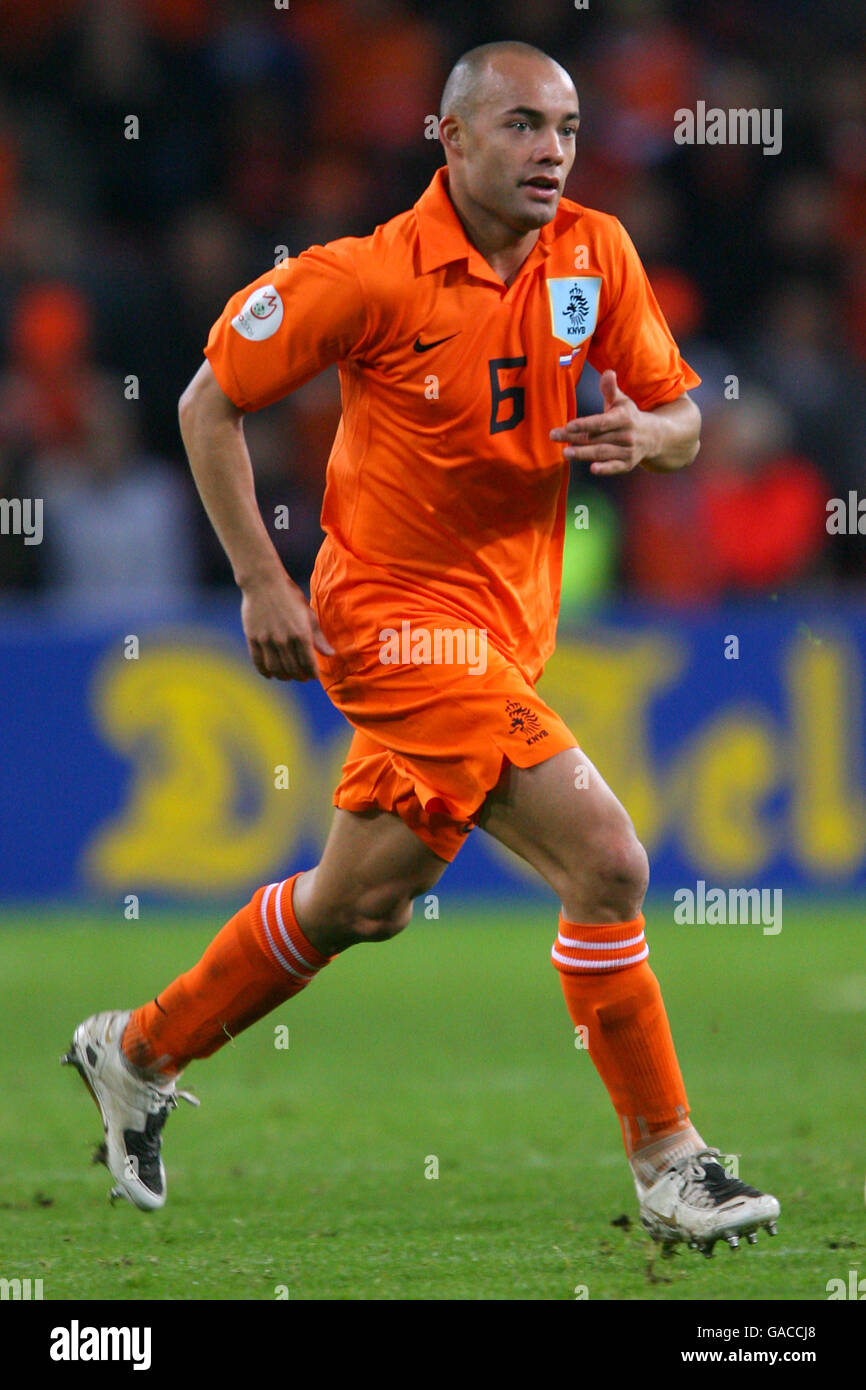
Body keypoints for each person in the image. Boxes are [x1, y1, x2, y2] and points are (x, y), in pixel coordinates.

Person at [64, 41, 779, 1256]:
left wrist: (649, 433)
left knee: (363, 902)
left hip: (502, 635)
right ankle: (670, 1163)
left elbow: (681, 416)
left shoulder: (594, 252)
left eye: (565, 128)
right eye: (521, 125)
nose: (551, 151)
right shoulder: (365, 276)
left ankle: (136, 1050)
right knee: (606, 860)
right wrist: (259, 579)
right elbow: (204, 402)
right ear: (449, 138)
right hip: (388, 621)